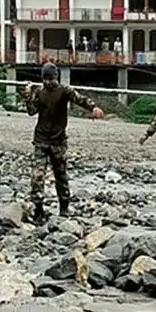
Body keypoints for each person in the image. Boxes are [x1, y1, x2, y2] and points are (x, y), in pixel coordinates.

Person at [21, 62, 104, 221]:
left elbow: (80, 99)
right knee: (37, 176)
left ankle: (64, 207)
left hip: (58, 141)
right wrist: (27, 98)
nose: (48, 82)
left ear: (56, 77)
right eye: (45, 79)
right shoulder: (39, 92)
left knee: (61, 175)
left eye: (50, 79)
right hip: (40, 140)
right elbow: (32, 111)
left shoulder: (64, 91)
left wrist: (93, 108)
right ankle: (38, 209)